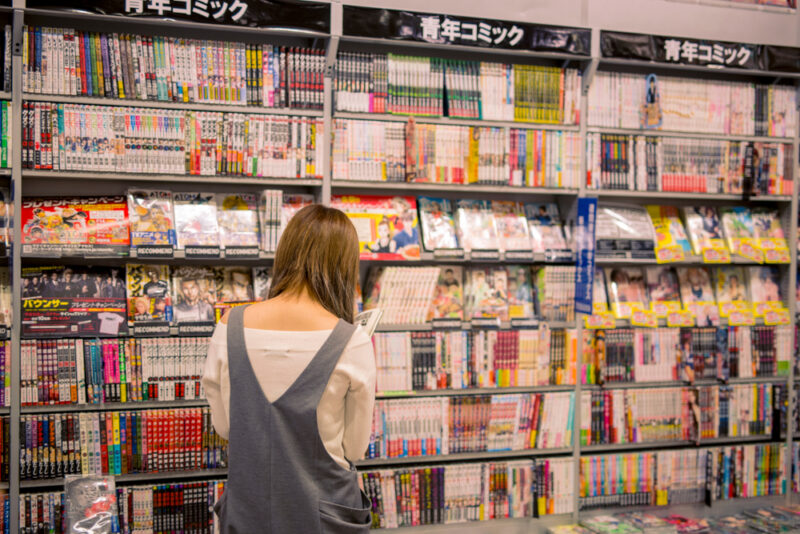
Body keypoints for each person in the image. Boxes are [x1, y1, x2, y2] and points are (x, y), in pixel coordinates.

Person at [202, 204, 375, 533]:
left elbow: (225, 427)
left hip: (247, 509)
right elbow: (354, 448)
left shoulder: (229, 327)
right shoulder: (352, 341)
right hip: (325, 514)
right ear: (344, 266)